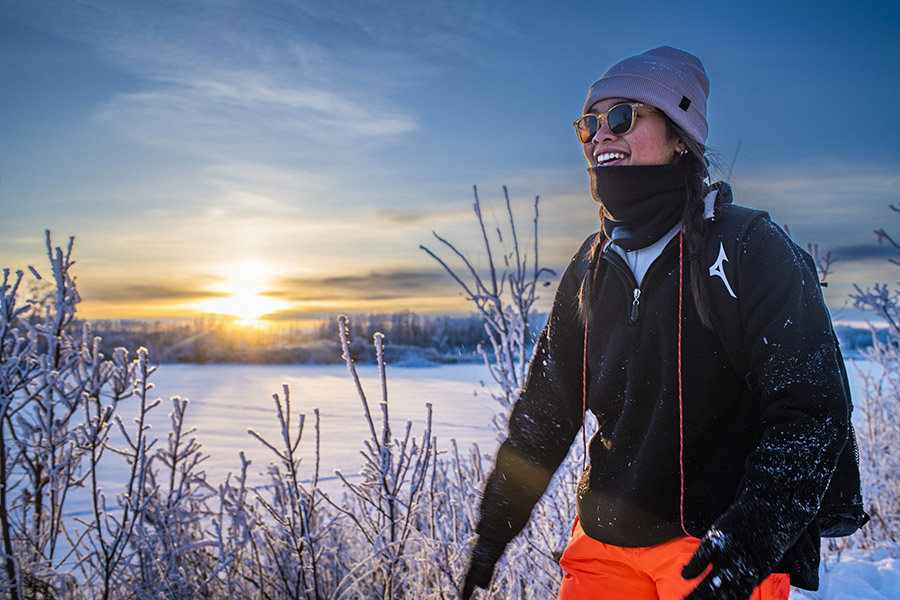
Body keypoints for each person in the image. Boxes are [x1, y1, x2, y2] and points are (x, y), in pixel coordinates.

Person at [461, 46, 851, 600]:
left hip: (714, 549)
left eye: (622, 117)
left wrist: (749, 543)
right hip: (602, 547)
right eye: (588, 126)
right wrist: (494, 528)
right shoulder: (591, 264)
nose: (600, 136)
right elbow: (547, 408)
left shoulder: (749, 249)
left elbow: (812, 410)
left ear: (680, 136)